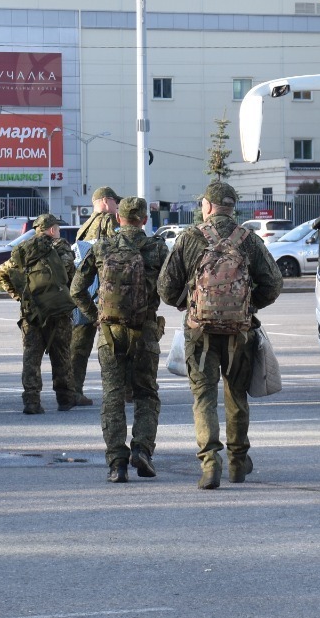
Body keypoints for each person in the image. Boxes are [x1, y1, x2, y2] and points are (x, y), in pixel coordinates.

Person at [158, 181, 282, 489]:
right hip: (240, 331)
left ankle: (210, 464)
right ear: (232, 207)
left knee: (203, 397)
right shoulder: (248, 240)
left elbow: (165, 287)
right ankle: (238, 463)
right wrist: (249, 305)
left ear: (208, 206)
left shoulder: (189, 238)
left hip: (199, 332)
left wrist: (187, 303)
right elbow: (274, 283)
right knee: (236, 395)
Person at [72, 197, 169, 483]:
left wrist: (96, 315)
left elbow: (77, 290)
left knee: (113, 397)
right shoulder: (157, 248)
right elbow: (173, 288)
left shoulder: (100, 247)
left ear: (118, 219)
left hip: (110, 333)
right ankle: (142, 449)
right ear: (144, 220)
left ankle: (117, 462)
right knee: (146, 394)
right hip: (146, 331)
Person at [0, 213, 77, 414]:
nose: (58, 231)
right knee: (62, 354)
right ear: (51, 230)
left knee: (31, 357)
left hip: (31, 313)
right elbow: (71, 274)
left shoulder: (21, 250)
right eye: (56, 228)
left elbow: (1, 273)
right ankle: (65, 398)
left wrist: (20, 297)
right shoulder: (60, 247)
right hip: (58, 311)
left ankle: (31, 401)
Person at [69, 185, 120, 406]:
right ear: (106, 201)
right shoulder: (108, 221)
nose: (117, 206)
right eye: (115, 201)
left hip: (85, 291)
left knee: (79, 346)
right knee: (113, 345)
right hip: (103, 292)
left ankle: (73, 390)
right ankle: (122, 391)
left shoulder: (85, 225)